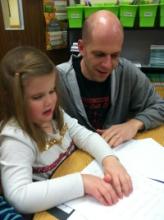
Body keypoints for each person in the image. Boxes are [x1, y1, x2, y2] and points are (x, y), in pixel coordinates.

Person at [0, 46, 132, 214]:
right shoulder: (15, 138)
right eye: (37, 97)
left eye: (52, 91)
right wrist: (82, 183)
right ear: (14, 100)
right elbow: (19, 197)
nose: (49, 101)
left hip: (76, 194)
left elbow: (85, 136)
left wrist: (110, 160)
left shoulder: (55, 115)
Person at [57, 10, 164, 148]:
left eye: (114, 55)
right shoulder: (57, 79)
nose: (107, 65)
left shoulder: (127, 72)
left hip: (117, 154)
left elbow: (160, 106)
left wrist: (133, 124)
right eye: (99, 54)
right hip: (75, 159)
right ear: (82, 48)